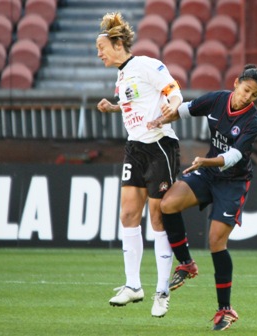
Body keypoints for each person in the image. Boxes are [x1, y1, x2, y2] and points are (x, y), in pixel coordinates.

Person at [148, 64, 257, 331]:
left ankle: (225, 309)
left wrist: (205, 161)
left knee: (216, 241)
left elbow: (234, 157)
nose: (248, 97)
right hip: (208, 173)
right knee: (167, 204)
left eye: (254, 94)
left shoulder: (254, 120)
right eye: (247, 89)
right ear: (236, 83)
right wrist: (159, 120)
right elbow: (184, 110)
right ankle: (186, 264)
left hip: (233, 182)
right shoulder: (217, 99)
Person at [95, 12, 183, 318]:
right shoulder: (122, 75)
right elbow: (138, 101)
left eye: (102, 46)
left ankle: (162, 290)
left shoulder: (146, 64)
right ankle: (133, 285)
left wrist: (171, 110)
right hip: (134, 147)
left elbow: (173, 91)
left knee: (158, 219)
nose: (99, 53)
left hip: (159, 145)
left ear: (118, 43)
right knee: (128, 213)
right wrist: (114, 107)